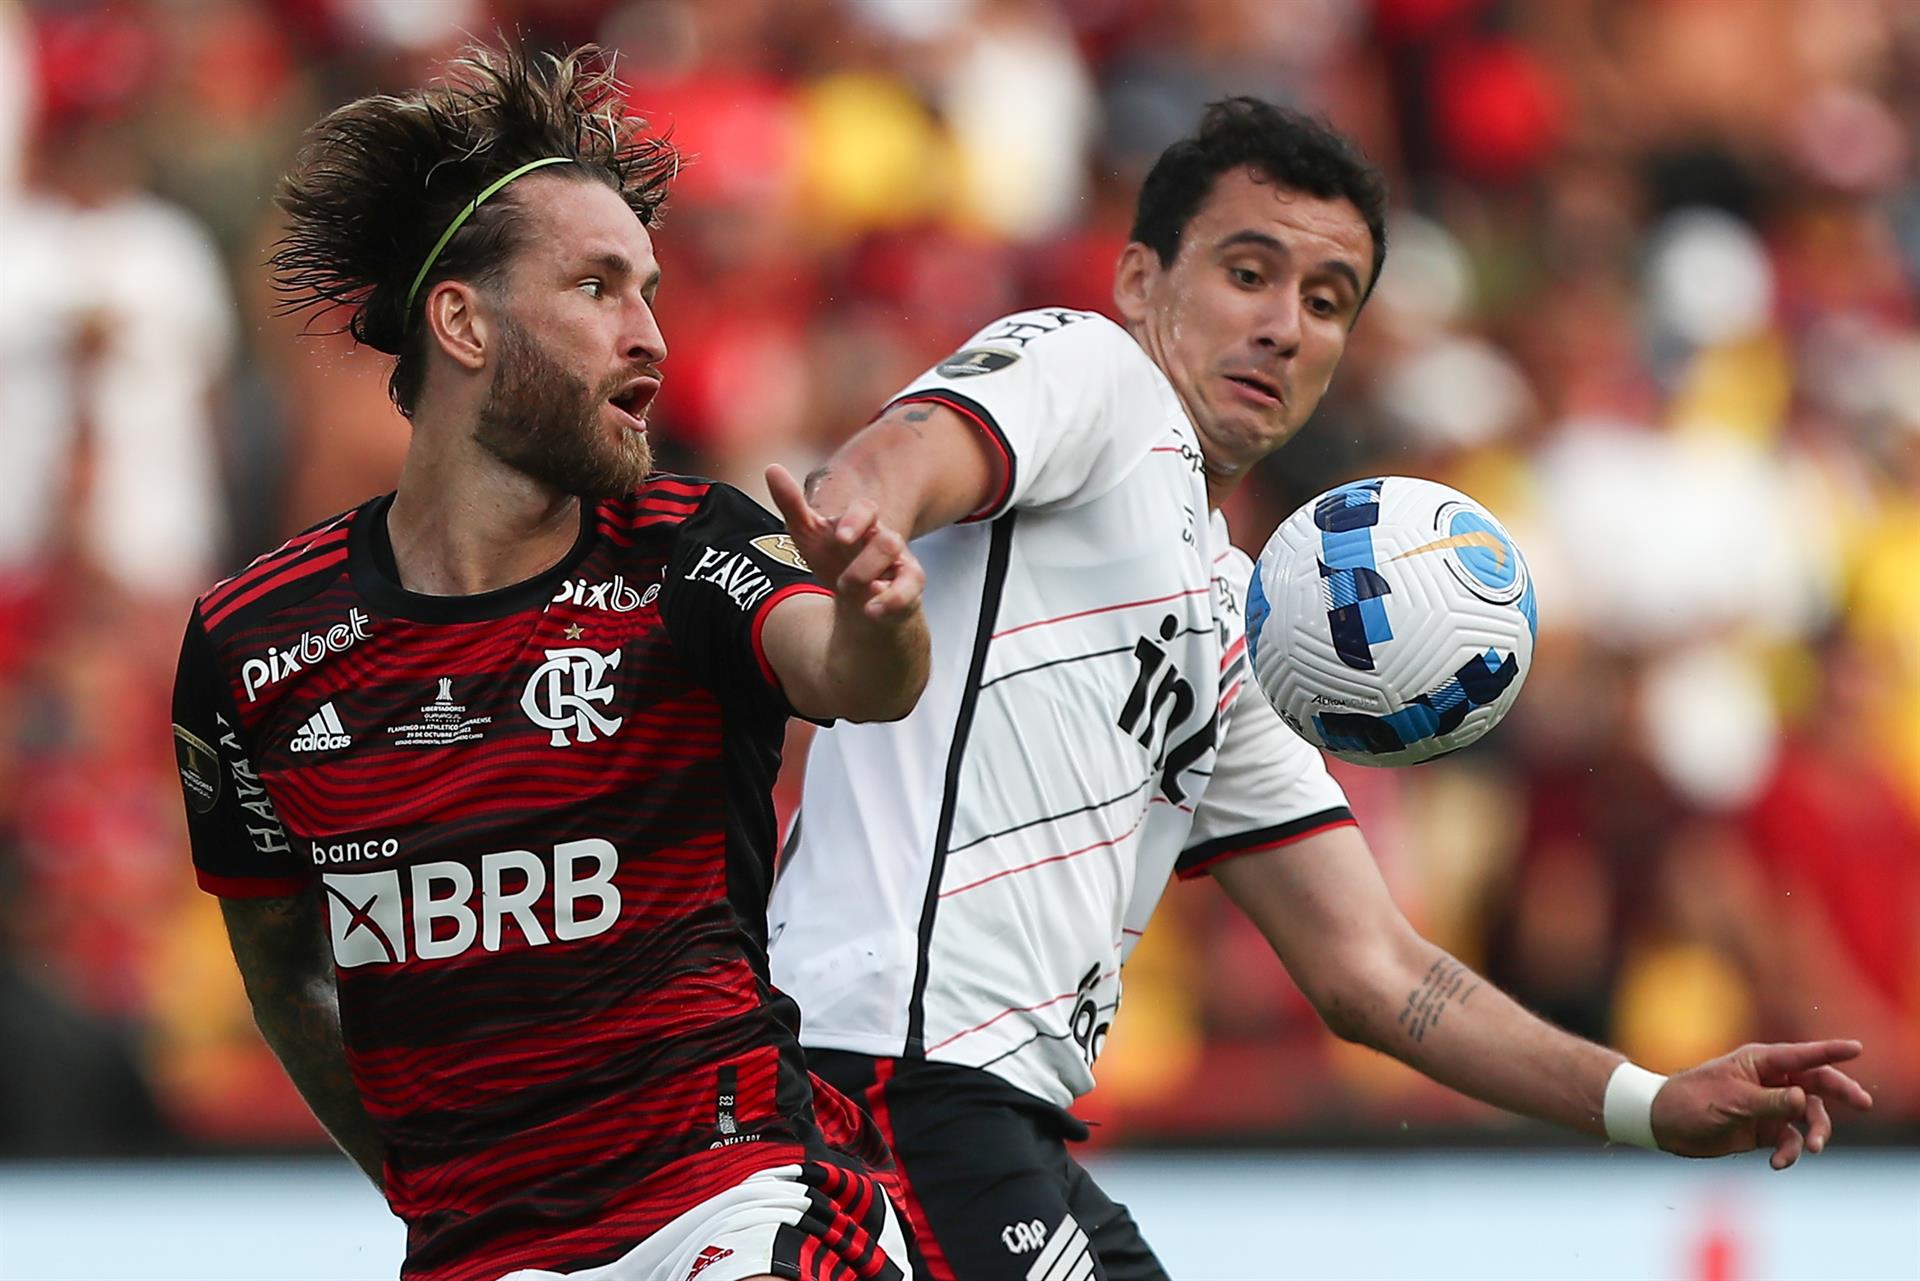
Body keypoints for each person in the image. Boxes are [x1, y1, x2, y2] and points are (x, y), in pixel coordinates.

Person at [765, 98, 1873, 1280]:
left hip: (984, 1112)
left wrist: (1649, 1102)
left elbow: (1381, 975)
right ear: (1141, 280)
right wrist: (859, 523)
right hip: (876, 1072)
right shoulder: (1087, 370)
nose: (1285, 327)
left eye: (1328, 299)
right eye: (1250, 272)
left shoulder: (1236, 622)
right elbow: (900, 455)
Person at [170, 44, 926, 1281]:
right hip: (481, 1251)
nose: (653, 339)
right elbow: (282, 969)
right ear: (463, 320)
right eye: (597, 288)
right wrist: (447, 1195)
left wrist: (884, 618)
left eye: (652, 292)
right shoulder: (251, 645)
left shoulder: (688, 547)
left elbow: (848, 673)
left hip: (732, 1204)